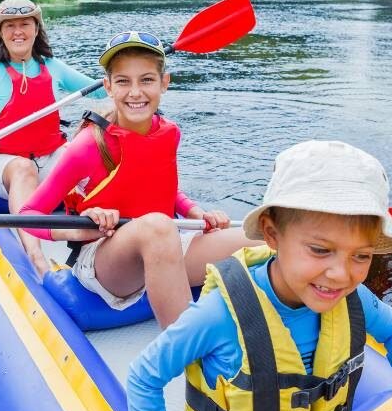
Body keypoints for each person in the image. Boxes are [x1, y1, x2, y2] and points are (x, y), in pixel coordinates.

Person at [127, 140, 392, 411]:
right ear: (272, 235)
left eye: (361, 255)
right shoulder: (219, 314)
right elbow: (144, 377)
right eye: (319, 250)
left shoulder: (351, 299)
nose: (341, 274)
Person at [20, 31, 254, 326]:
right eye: (123, 81)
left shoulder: (169, 132)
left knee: (261, 238)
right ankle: (188, 355)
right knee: (158, 226)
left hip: (164, 242)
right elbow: (28, 215)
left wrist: (195, 212)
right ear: (108, 86)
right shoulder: (89, 145)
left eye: (146, 80)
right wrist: (77, 232)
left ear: (164, 83)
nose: (135, 92)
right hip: (105, 260)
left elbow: (162, 186)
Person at [0, 0, 106, 275]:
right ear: (1, 33)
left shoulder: (53, 67)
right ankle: (36, 258)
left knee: (85, 154)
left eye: (25, 24)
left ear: (36, 29)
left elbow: (101, 91)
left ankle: (105, 237)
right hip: (3, 163)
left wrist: (123, 77)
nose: (18, 31)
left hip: (50, 158)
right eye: (10, 26)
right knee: (24, 167)